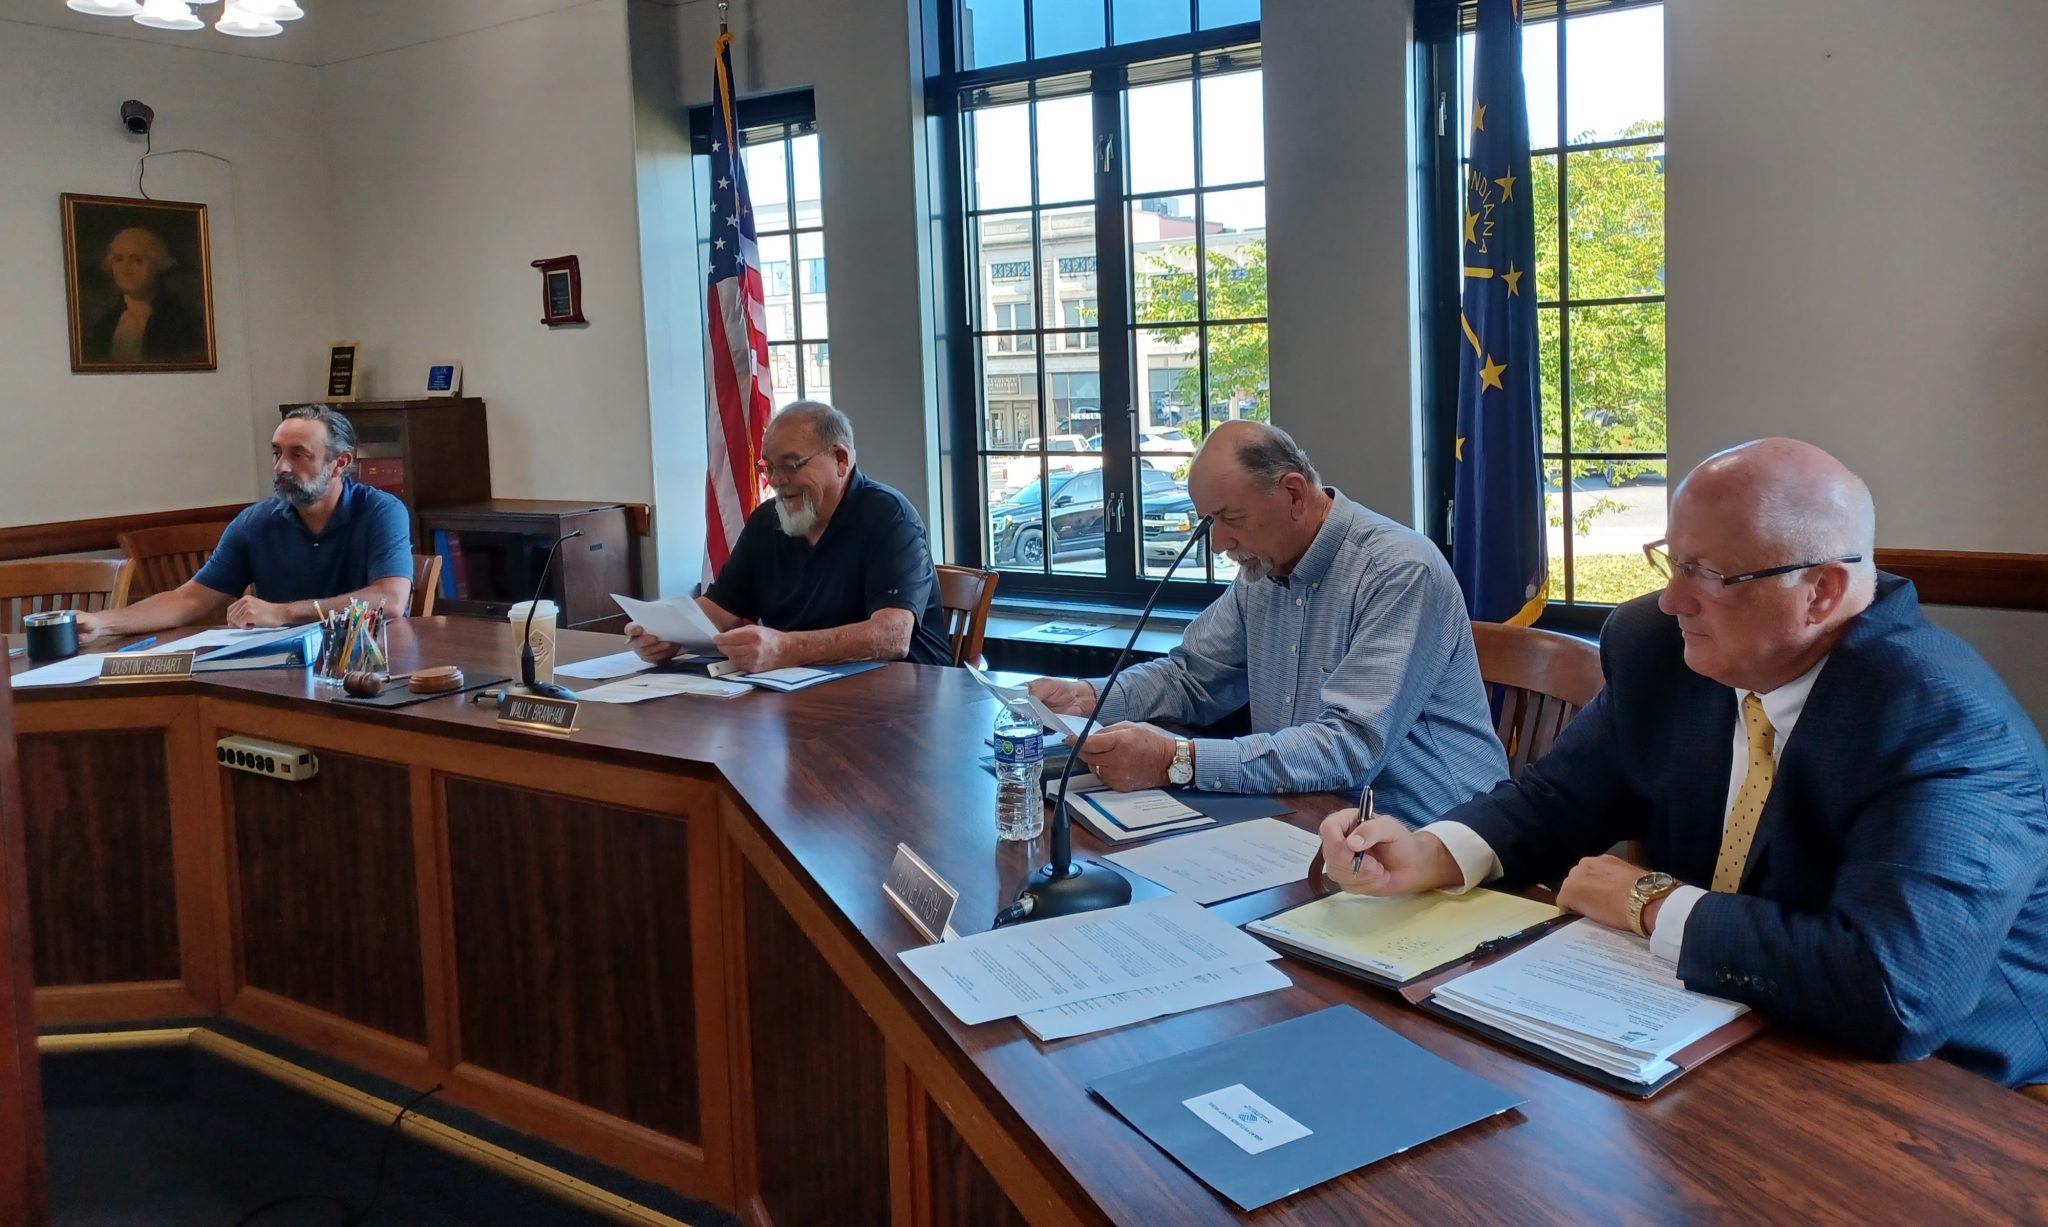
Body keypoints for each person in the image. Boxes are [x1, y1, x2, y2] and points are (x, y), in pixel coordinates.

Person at [1319, 438, 2048, 1089]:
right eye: (1672, 559)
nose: (1671, 599)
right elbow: (1556, 798)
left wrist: (1652, 902)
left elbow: (1895, 991)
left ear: (1821, 590)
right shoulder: (1661, 648)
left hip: (1946, 1083)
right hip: (1711, 1022)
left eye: (1707, 574)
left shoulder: (1946, 723)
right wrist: (1433, 852)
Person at [1029, 420, 1509, 813]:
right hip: (1304, 815)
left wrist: (1180, 761)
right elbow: (1191, 677)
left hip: (1431, 833)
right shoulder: (1261, 571)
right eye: (1208, 523)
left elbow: (1351, 746)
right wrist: (1088, 698)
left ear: (1294, 494)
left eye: (1230, 519)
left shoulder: (1398, 571)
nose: (1218, 544)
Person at [627, 401, 953, 671]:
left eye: (792, 465)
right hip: (800, 694)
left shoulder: (888, 516)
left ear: (841, 460)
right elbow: (719, 609)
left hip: (906, 696)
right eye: (768, 467)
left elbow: (892, 636)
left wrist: (785, 648)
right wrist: (667, 633)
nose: (776, 480)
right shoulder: (767, 520)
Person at [76, 406, 413, 642]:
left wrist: (283, 613)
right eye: (277, 453)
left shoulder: (381, 510)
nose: (281, 467)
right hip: (284, 668)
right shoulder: (256, 522)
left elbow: (390, 599)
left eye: (298, 455)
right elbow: (188, 600)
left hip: (366, 662)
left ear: (339, 463)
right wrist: (101, 622)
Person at [81, 226, 207, 364]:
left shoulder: (182, 323)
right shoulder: (104, 325)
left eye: (137, 260)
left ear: (158, 264)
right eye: (118, 259)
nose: (125, 269)